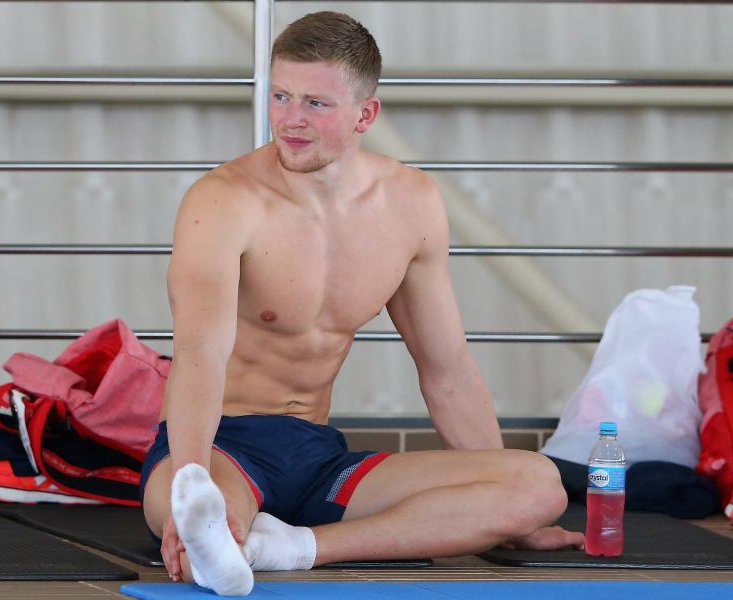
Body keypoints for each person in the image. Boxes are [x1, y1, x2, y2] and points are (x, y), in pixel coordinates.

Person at [141, 11, 582, 596]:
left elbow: (446, 370)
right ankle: (223, 529)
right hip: (222, 445)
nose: (290, 121)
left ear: (365, 115)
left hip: (320, 457)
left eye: (315, 104)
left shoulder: (410, 204)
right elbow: (200, 355)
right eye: (280, 96)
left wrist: (511, 518)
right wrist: (189, 486)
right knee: (206, 535)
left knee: (538, 487)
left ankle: (294, 549)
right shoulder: (223, 202)